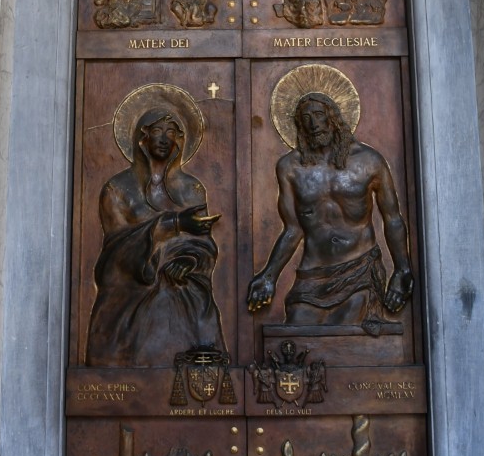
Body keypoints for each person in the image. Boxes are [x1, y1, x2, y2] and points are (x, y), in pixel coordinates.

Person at [247, 91, 413, 325]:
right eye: (306, 118)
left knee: (346, 330)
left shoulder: (369, 161)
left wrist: (402, 269)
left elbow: (393, 218)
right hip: (313, 274)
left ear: (333, 118)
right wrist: (269, 276)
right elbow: (293, 229)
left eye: (318, 115)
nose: (313, 124)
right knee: (297, 329)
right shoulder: (290, 167)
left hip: (360, 269)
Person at [87, 108, 224, 366]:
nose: (164, 138)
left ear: (179, 139)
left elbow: (204, 243)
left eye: (171, 132)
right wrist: (174, 223)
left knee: (197, 308)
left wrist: (190, 261)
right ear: (143, 137)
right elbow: (117, 251)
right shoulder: (117, 189)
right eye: (157, 131)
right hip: (133, 290)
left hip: (185, 286)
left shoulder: (192, 188)